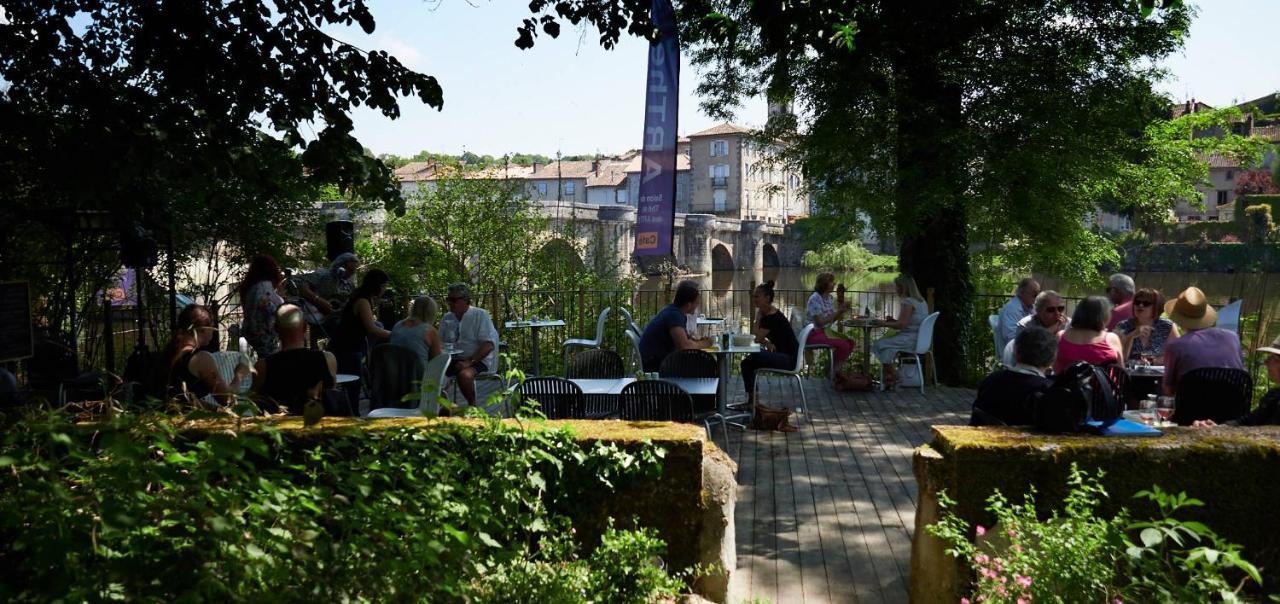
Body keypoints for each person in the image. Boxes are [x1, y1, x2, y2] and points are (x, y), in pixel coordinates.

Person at [253, 304, 337, 415]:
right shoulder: (327, 359)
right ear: (305, 327)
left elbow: (254, 403)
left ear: (276, 329)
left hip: (281, 429)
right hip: (320, 428)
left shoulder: (262, 367)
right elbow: (332, 394)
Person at [162, 304, 251, 405]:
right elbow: (227, 399)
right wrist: (239, 375)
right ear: (203, 329)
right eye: (212, 328)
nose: (213, 333)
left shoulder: (171, 352)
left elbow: (184, 401)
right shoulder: (201, 359)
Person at [1162, 286, 1243, 395]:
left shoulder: (1176, 346)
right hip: (1234, 408)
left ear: (1178, 317)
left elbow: (1168, 388)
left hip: (1191, 410)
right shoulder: (1233, 337)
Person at [971, 327, 1056, 426]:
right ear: (1051, 359)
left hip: (981, 438)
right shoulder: (1047, 390)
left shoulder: (991, 380)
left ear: (1016, 352)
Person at [328, 269, 392, 401]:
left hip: (351, 346)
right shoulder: (362, 301)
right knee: (353, 387)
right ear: (376, 285)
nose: (385, 289)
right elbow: (372, 328)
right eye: (384, 286)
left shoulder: (363, 297)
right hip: (347, 349)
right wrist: (395, 334)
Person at [1194, 334, 1280, 427]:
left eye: (1274, 359)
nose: (1266, 362)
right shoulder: (1274, 397)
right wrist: (1218, 428)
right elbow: (1248, 421)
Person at [741, 282, 800, 407]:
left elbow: (755, 338)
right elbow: (757, 336)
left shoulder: (770, 317)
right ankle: (753, 401)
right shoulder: (768, 314)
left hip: (789, 360)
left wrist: (758, 317)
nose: (754, 299)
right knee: (746, 363)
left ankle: (753, 401)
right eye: (754, 296)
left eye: (757, 296)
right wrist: (767, 342)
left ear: (767, 298)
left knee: (755, 355)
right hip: (783, 356)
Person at [439, 283, 499, 406]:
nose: (450, 303)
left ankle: (472, 407)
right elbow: (440, 342)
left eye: (454, 300)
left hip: (477, 359)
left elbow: (488, 345)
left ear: (466, 300)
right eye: (448, 299)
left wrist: (468, 362)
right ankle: (441, 408)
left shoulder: (480, 315)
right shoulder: (447, 318)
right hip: (452, 359)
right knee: (432, 373)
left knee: (464, 375)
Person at [639, 280, 712, 372]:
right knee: (707, 367)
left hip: (658, 361)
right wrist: (705, 344)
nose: (697, 306)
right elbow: (684, 346)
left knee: (701, 364)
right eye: (697, 303)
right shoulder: (674, 316)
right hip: (655, 366)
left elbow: (684, 339)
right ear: (689, 305)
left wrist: (695, 341)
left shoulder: (672, 311)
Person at [872, 274, 930, 386]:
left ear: (904, 288)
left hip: (909, 340)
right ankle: (888, 380)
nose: (896, 289)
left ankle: (896, 376)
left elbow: (902, 325)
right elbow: (910, 322)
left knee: (878, 344)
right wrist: (892, 320)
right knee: (887, 350)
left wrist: (882, 323)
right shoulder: (922, 301)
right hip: (920, 340)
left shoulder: (908, 302)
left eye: (897, 286)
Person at [805, 272, 856, 385]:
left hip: (824, 332)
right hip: (813, 333)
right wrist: (838, 311)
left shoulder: (830, 298)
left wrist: (842, 311)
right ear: (824, 284)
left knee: (850, 343)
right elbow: (820, 322)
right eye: (831, 282)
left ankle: (831, 369)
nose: (834, 284)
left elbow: (831, 320)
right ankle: (834, 373)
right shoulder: (815, 298)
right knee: (843, 345)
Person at [1054, 296, 1122, 374]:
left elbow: (1055, 368)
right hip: (1102, 385)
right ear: (1104, 316)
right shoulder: (1111, 338)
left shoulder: (1060, 336)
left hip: (1067, 385)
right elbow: (1121, 373)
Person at [1002, 290, 1069, 366]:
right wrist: (1049, 331)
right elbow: (1027, 356)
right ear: (1039, 311)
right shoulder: (1026, 325)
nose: (1057, 313)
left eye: (1060, 308)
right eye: (1051, 310)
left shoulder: (1068, 324)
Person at [1114, 288, 1179, 363]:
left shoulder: (1167, 326)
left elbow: (1177, 354)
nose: (1140, 305)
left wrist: (1154, 361)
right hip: (1129, 374)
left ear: (1156, 306)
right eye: (1137, 302)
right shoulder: (1122, 326)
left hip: (1158, 373)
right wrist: (1131, 336)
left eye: (1146, 303)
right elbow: (1120, 359)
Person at [238, 254, 285, 357]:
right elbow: (269, 309)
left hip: (254, 335)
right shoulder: (265, 287)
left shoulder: (251, 288)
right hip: (266, 336)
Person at [296, 252, 359, 327]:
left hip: (337, 317)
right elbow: (300, 284)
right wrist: (318, 300)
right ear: (340, 266)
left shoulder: (349, 285)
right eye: (350, 270)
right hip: (319, 318)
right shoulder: (323, 274)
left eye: (354, 271)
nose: (352, 273)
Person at [391, 295, 444, 370]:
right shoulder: (430, 331)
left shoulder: (398, 325)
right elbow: (437, 362)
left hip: (393, 376)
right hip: (418, 378)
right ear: (431, 312)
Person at [997, 278, 1040, 356]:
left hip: (1027, 350)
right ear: (1022, 293)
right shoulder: (1011, 309)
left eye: (1038, 294)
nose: (1037, 298)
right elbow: (1010, 338)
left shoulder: (1031, 307)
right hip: (1013, 354)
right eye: (1035, 295)